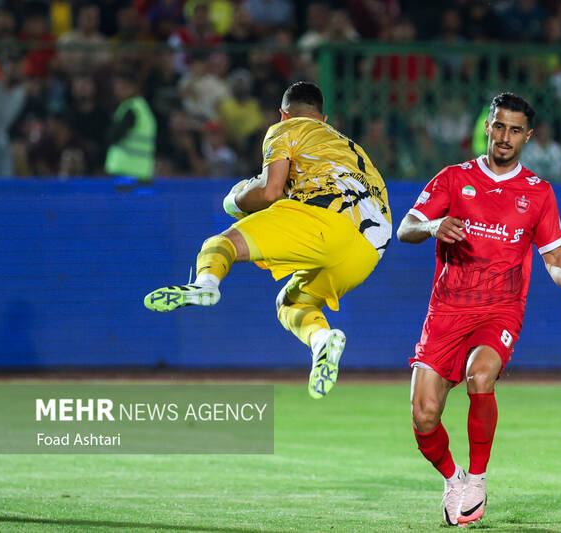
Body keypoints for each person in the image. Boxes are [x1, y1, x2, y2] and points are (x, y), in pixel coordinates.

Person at [397, 93, 561, 526]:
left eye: (515, 130)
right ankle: (453, 478)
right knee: (424, 413)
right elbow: (406, 227)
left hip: (499, 310)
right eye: (499, 126)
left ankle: (479, 479)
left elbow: (555, 259)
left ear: (529, 136)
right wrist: (432, 226)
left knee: (480, 375)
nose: (505, 137)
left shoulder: (538, 193)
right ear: (487, 126)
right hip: (447, 311)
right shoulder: (453, 178)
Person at [144, 82, 392, 399]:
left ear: (283, 113)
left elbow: (270, 190)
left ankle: (206, 285)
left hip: (327, 219)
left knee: (221, 243)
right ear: (324, 118)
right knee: (291, 303)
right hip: (371, 247)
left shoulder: (284, 129)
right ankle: (322, 341)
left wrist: (235, 199)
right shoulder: (349, 146)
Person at [104, 73, 157, 184]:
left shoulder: (131, 108)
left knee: (122, 200)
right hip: (143, 170)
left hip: (125, 168)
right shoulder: (143, 107)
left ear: (133, 87)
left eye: (122, 86)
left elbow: (114, 135)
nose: (117, 90)